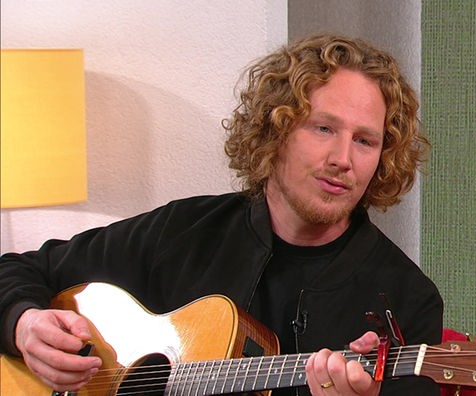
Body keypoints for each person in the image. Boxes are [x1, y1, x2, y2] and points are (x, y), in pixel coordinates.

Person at [0, 34, 443, 396]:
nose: (342, 159)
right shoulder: (181, 231)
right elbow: (16, 270)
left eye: (365, 140)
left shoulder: (407, 300)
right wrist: (25, 323)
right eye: (323, 128)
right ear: (276, 128)